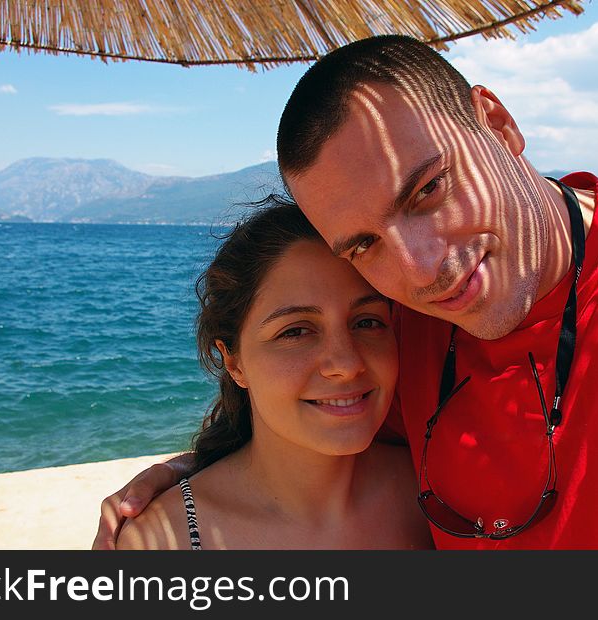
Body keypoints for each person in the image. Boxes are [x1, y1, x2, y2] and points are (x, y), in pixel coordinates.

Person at [97, 36, 598, 550]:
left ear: (499, 124)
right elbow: (308, 425)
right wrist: (191, 481)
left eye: (428, 190)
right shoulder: (406, 334)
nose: (424, 269)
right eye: (363, 245)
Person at [115, 199, 432, 549]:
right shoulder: (166, 541)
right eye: (295, 331)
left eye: (367, 322)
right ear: (233, 362)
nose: (346, 362)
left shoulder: (437, 490)